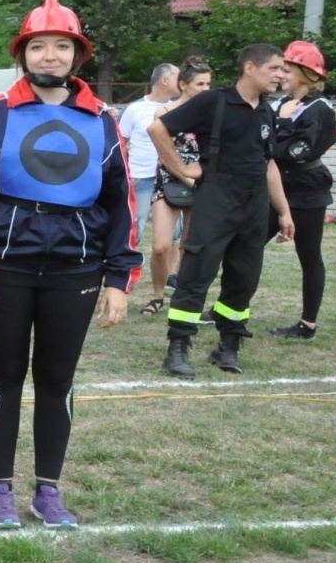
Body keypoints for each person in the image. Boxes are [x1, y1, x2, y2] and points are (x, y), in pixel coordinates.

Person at [0, 0, 139, 529]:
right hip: (7, 267)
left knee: (57, 379)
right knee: (4, 374)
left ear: (76, 55)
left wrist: (118, 278)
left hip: (76, 270)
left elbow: (122, 202)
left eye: (61, 46)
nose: (50, 56)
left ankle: (48, 490)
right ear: (23, 53)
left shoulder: (101, 119)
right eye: (38, 46)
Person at [151, 43, 294, 377]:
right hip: (216, 199)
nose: (281, 75)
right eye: (274, 68)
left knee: (244, 276)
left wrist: (284, 211)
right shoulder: (213, 101)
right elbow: (158, 129)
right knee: (197, 272)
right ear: (250, 68)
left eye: (283, 69)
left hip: (254, 203)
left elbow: (268, 164)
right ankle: (178, 348)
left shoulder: (266, 111)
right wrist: (182, 169)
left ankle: (228, 346)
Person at [265, 41, 335, 339]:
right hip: (274, 187)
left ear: (306, 75)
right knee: (247, 247)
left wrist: (281, 125)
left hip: (307, 190)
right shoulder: (278, 104)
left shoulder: (320, 109)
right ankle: (227, 308)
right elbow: (264, 143)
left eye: (287, 70)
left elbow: (294, 151)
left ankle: (307, 324)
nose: (280, 75)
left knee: (309, 255)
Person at [140, 60, 211, 316]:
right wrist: (188, 178)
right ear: (183, 85)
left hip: (200, 183)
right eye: (200, 84)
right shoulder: (164, 113)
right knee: (160, 247)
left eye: (209, 84)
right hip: (169, 181)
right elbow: (165, 154)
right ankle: (157, 296)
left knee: (188, 247)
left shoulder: (211, 115)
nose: (205, 89)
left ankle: (182, 295)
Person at [118, 63, 179, 244]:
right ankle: (129, 261)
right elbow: (119, 144)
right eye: (178, 77)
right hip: (140, 178)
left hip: (169, 177)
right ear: (165, 80)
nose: (183, 81)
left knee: (175, 232)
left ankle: (169, 264)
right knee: (135, 229)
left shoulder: (178, 108)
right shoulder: (134, 109)